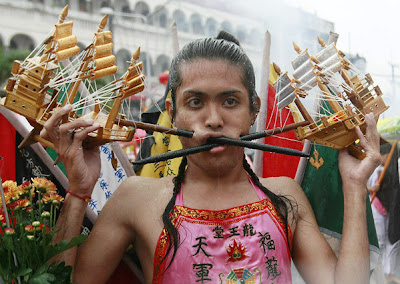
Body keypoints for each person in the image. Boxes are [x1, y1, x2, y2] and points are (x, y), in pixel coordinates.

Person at [42, 31, 381, 283]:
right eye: (195, 102)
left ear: (254, 112)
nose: (214, 119)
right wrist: (78, 189)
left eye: (230, 101)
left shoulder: (285, 196)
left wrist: (354, 186)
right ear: (173, 114)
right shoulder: (136, 198)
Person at [368, 143, 400, 284]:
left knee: (389, 240)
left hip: (389, 211)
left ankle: (388, 272)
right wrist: (372, 187)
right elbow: (364, 185)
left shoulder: (392, 170)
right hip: (376, 208)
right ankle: (377, 270)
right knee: (379, 239)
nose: (382, 159)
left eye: (384, 156)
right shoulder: (375, 170)